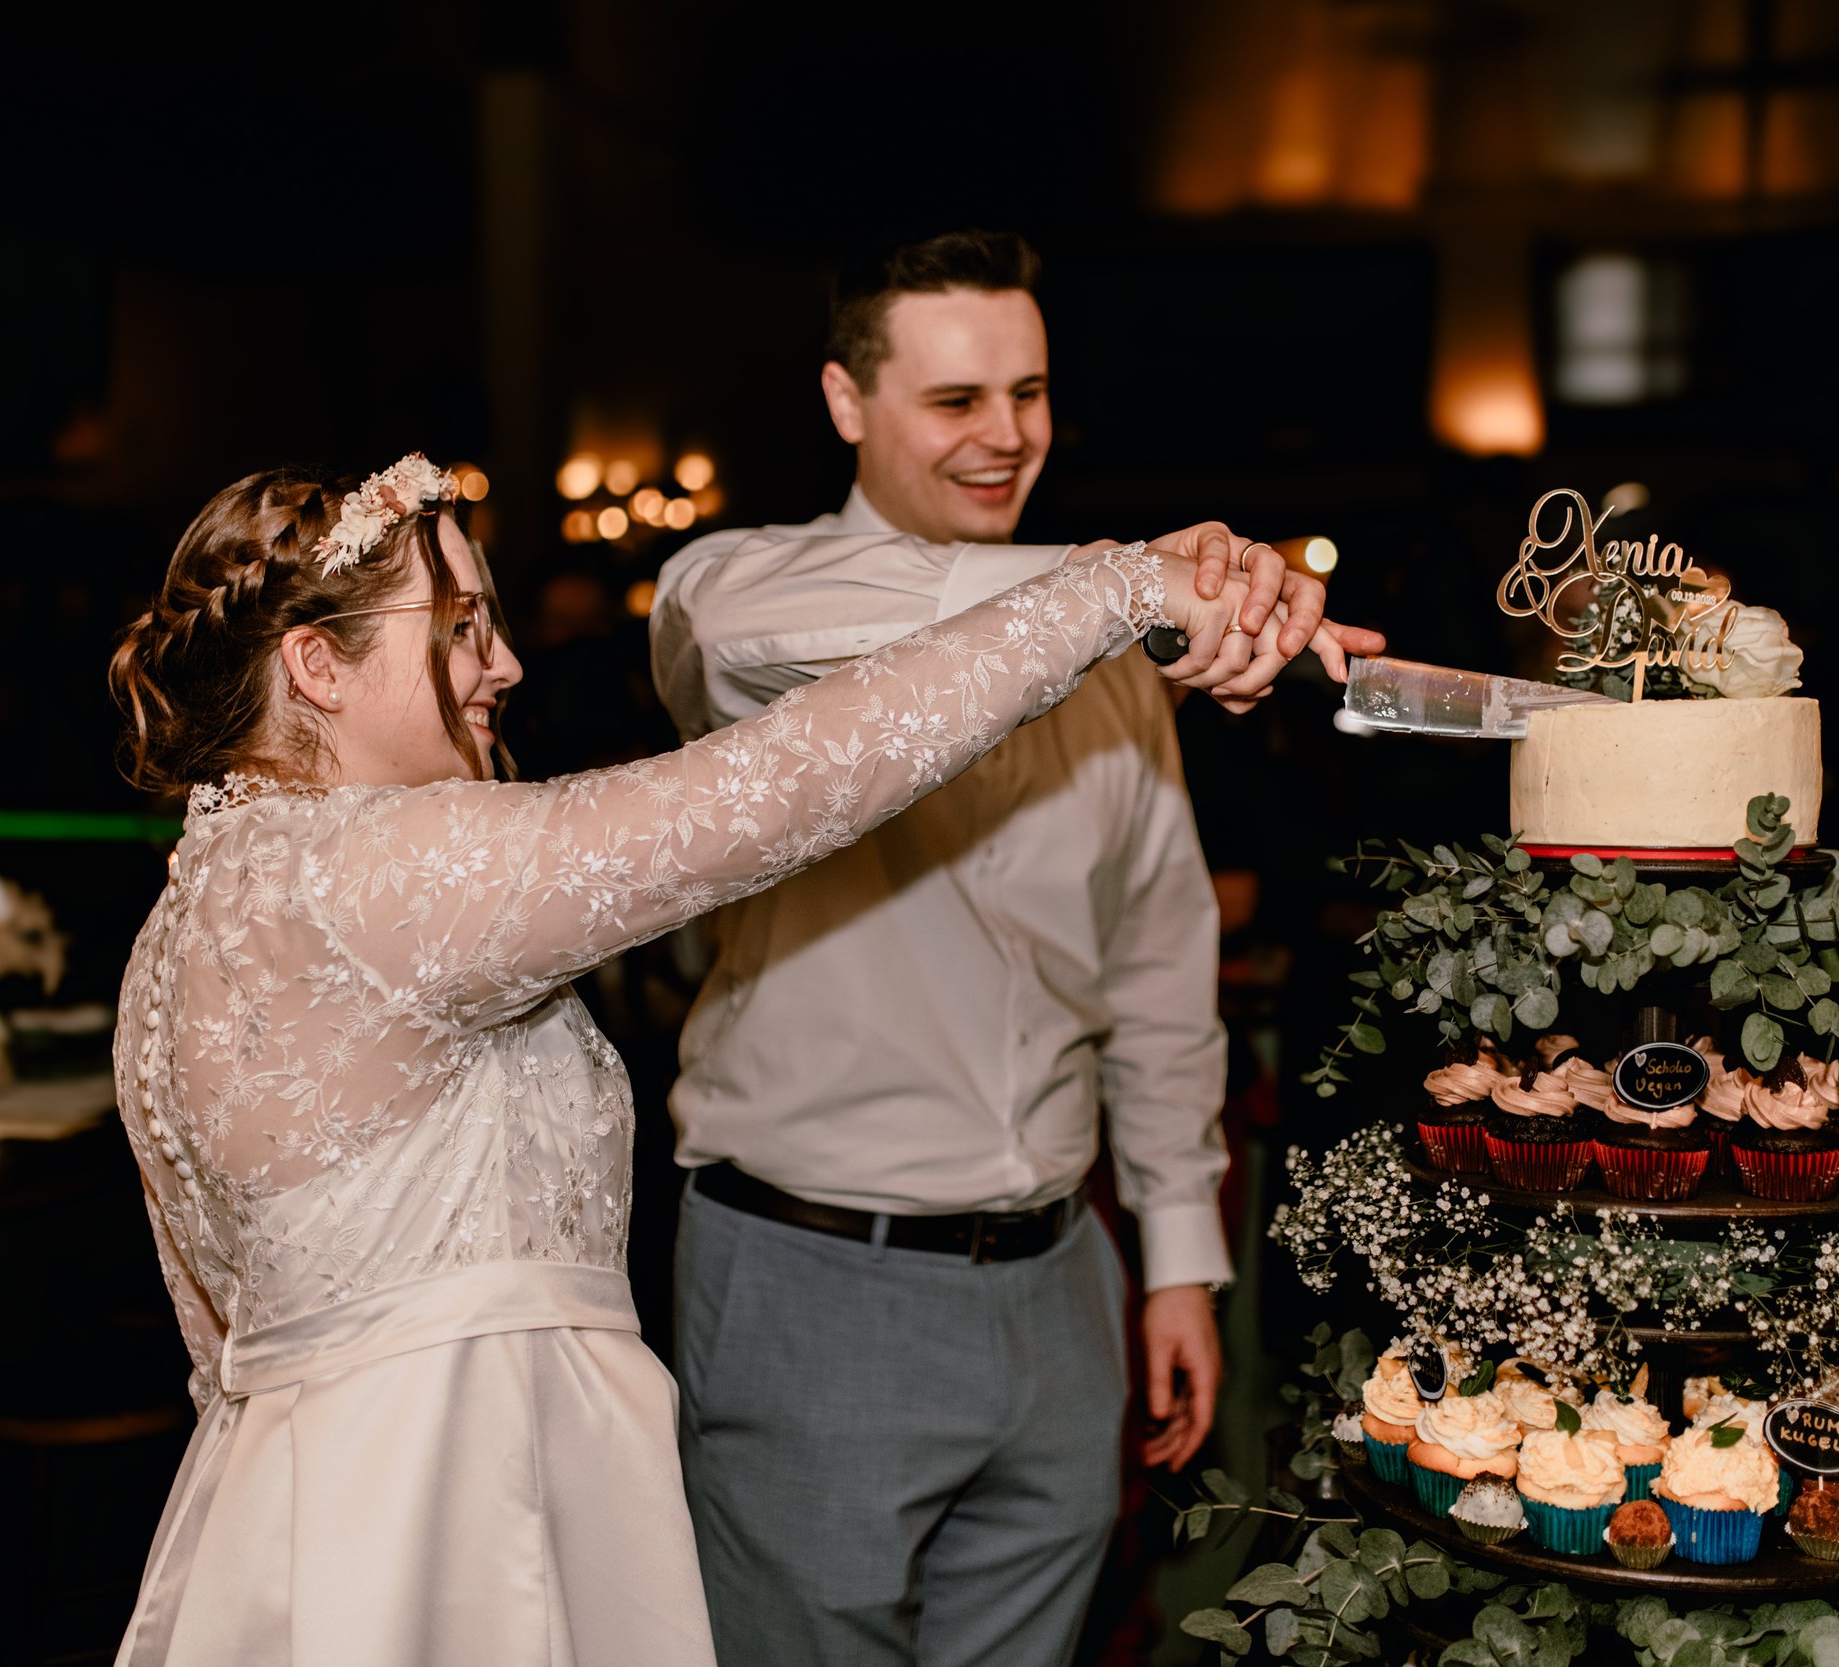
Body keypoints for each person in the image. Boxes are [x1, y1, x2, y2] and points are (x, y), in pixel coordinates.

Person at [103, 451, 1350, 1665]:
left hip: (295, 1510)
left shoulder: (180, 924)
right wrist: (1116, 587)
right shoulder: (379, 871)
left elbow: (219, 1336)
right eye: (463, 623)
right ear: (317, 664)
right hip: (463, 1514)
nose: (506, 663)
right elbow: (789, 780)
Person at [650, 229, 1384, 1666]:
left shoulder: (1118, 672)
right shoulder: (746, 602)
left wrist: (1176, 1257)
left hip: (1061, 1292)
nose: (1005, 437)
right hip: (815, 1278)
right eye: (955, 401)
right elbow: (735, 624)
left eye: (1029, 394)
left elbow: (1161, 974)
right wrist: (1132, 581)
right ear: (845, 402)